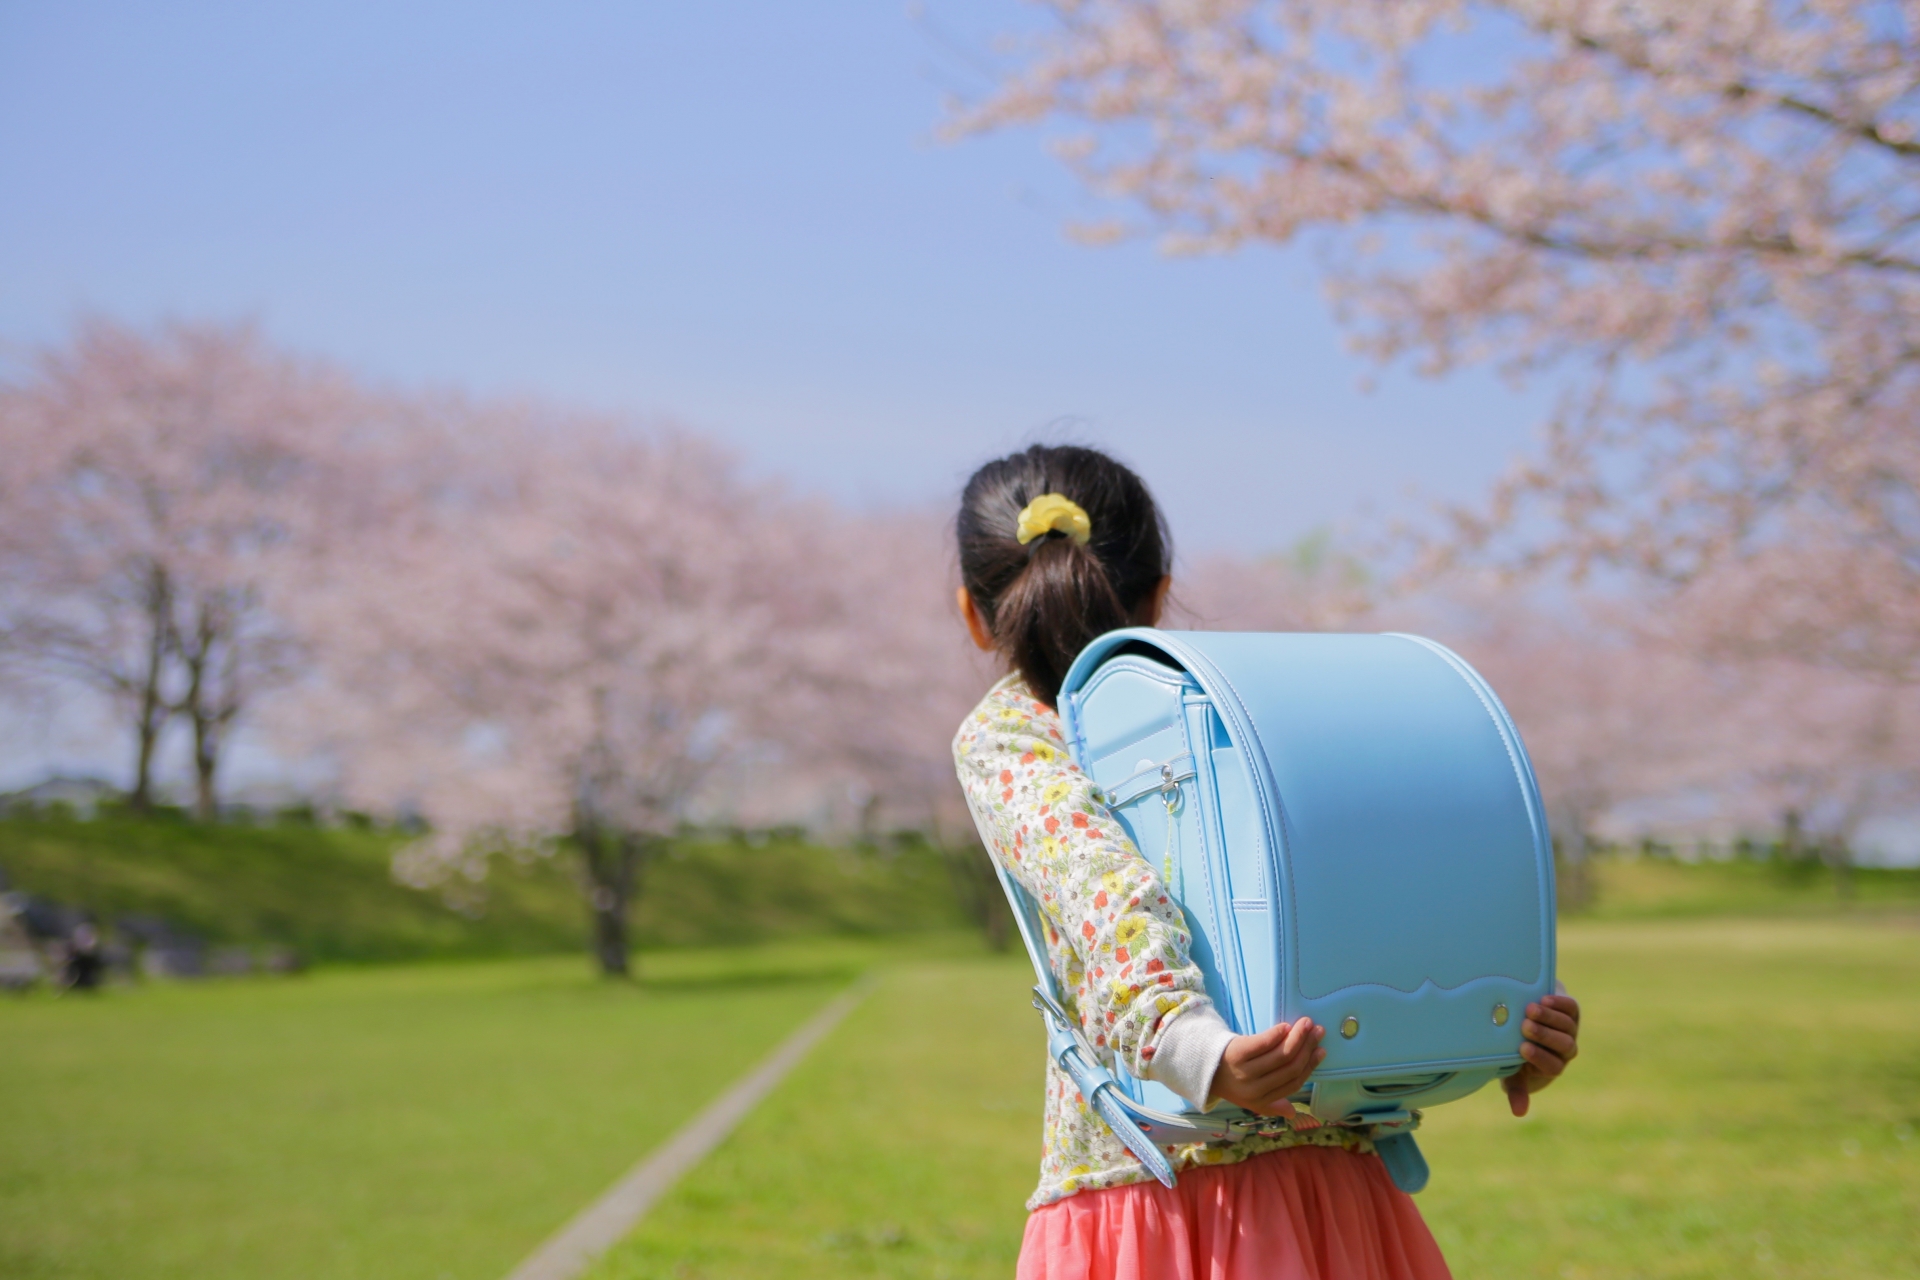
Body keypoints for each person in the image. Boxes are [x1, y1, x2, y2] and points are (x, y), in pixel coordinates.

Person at [951, 444, 1582, 1280]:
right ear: (1160, 594)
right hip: (1333, 1191)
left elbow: (1100, 890)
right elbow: (1378, 874)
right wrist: (1496, 1019)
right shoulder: (1243, 704)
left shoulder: (1011, 734)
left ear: (972, 612)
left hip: (1154, 1183)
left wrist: (1194, 1050)